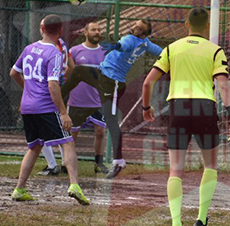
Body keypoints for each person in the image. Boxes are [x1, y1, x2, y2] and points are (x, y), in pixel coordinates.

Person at [142, 7, 230, 226]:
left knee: (175, 170)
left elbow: (147, 83)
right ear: (206, 26)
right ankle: (201, 220)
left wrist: (146, 108)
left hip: (178, 109)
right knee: (210, 166)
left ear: (186, 24)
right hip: (204, 108)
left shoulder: (171, 48)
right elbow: (223, 85)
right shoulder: (215, 51)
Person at [61, 18, 162, 179]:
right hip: (102, 75)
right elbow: (162, 52)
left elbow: (125, 45)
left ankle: (118, 161)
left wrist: (117, 45)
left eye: (138, 28)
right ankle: (55, 98)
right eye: (135, 25)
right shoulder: (146, 43)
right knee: (79, 71)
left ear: (143, 35)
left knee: (111, 121)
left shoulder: (131, 39)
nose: (134, 28)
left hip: (112, 83)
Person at [9, 14, 89, 206]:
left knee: (35, 147)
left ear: (42, 28)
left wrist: (28, 91)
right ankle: (74, 185)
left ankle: (19, 189)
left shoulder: (29, 49)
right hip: (45, 106)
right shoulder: (55, 53)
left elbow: (14, 73)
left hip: (28, 107)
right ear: (60, 31)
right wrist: (63, 112)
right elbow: (53, 85)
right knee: (68, 142)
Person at [66, 20, 108, 174]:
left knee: (100, 132)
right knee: (72, 134)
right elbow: (68, 73)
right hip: (77, 100)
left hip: (97, 101)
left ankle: (99, 163)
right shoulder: (75, 51)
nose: (97, 33)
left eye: (99, 30)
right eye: (93, 30)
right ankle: (67, 164)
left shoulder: (105, 52)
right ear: (85, 32)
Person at [37, 35, 75, 176]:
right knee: (59, 126)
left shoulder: (48, 47)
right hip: (59, 88)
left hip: (48, 90)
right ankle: (64, 163)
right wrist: (63, 78)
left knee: (40, 128)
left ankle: (52, 165)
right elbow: (72, 67)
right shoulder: (63, 45)